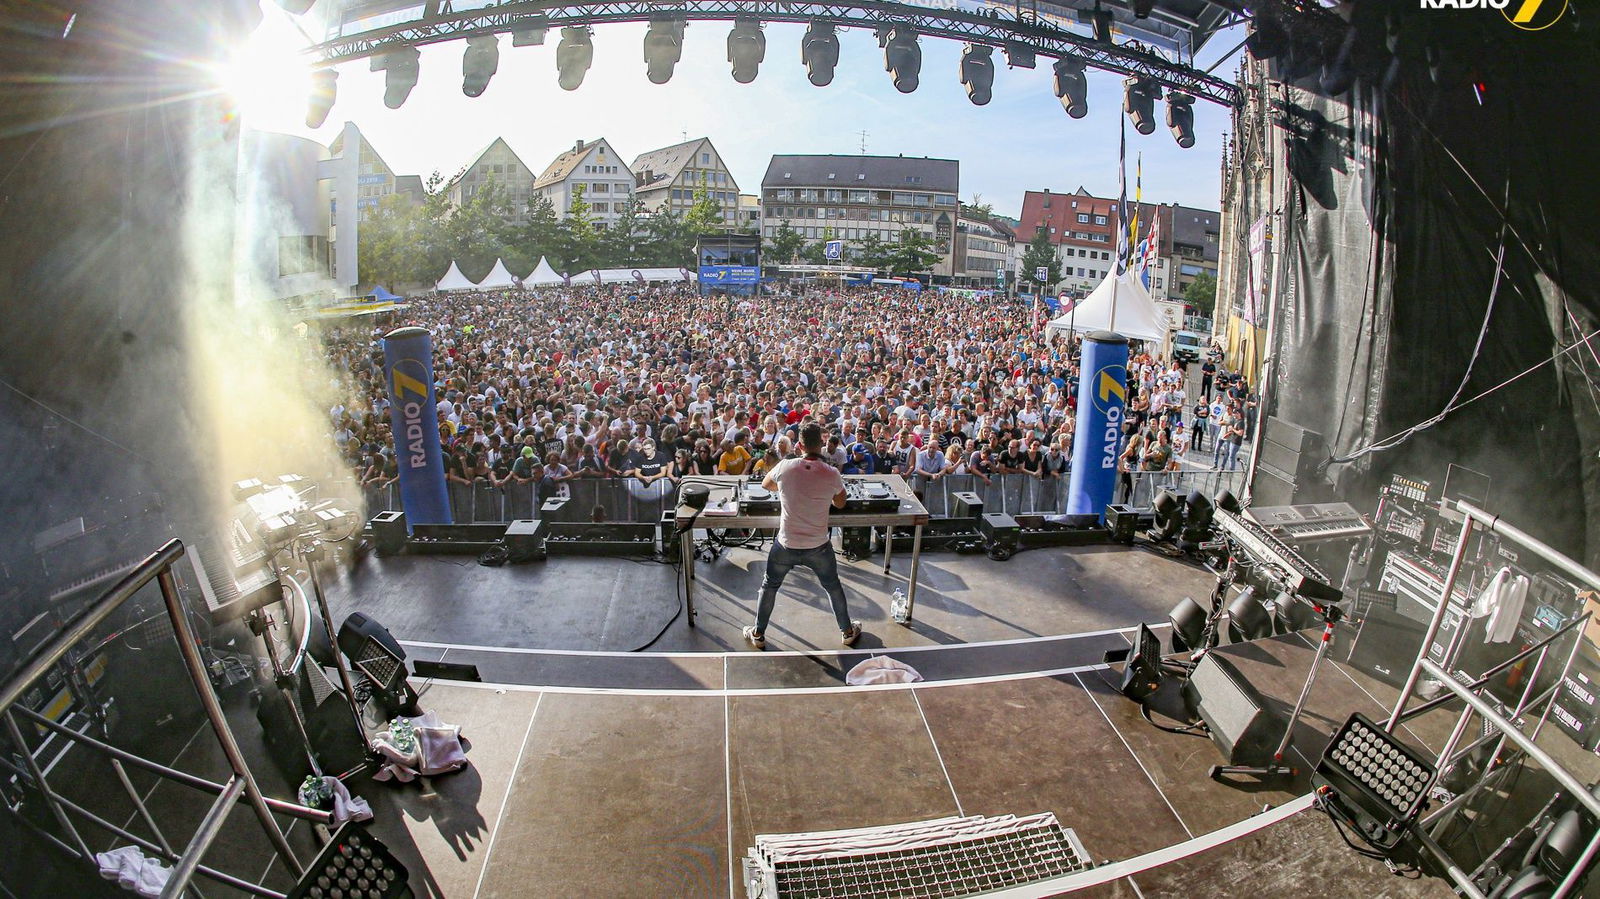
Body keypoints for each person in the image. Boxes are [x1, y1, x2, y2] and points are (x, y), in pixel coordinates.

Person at [743, 423, 862, 650]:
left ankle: (758, 634)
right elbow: (841, 502)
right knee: (832, 586)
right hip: (818, 546)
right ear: (822, 444)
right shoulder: (832, 473)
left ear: (799, 445)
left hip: (786, 544)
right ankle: (847, 632)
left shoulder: (785, 467)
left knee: (769, 585)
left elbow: (766, 484)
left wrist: (790, 488)